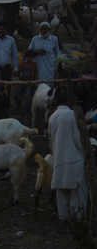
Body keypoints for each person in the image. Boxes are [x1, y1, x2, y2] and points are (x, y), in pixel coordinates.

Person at [48, 90, 87, 221]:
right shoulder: (72, 115)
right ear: (68, 102)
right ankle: (78, 219)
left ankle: (63, 218)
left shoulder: (52, 117)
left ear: (55, 102)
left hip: (59, 159)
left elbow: (51, 142)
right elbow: (78, 139)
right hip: (74, 159)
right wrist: (86, 153)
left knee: (61, 192)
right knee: (77, 192)